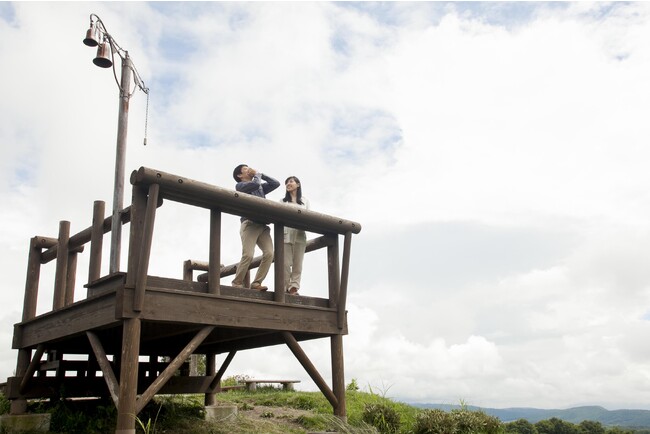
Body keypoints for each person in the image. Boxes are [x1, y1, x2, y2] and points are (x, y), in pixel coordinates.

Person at [231, 164, 280, 291]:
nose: (249, 169)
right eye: (246, 169)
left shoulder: (259, 186)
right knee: (248, 254)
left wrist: (261, 174)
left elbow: (275, 183)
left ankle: (256, 283)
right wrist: (257, 176)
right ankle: (237, 282)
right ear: (239, 175)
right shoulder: (240, 186)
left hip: (262, 225)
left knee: (270, 253)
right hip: (249, 223)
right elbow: (254, 185)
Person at [280, 176, 310, 295]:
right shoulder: (282, 201)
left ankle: (294, 287)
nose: (288, 183)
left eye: (291, 181)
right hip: (286, 233)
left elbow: (309, 216)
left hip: (300, 234)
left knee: (298, 263)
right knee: (285, 264)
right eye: (286, 182)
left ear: (298, 184)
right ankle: (284, 288)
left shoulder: (305, 201)